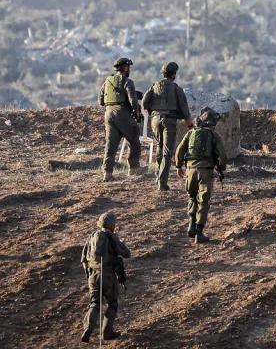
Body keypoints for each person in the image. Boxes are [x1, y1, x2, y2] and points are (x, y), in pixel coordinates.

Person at [174, 107, 227, 243]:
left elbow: (179, 150)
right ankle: (199, 232)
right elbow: (223, 155)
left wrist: (179, 166)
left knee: (192, 197)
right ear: (211, 123)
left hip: (190, 170)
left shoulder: (191, 133)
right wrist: (222, 168)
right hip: (206, 171)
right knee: (204, 201)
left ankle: (191, 224)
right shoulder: (214, 136)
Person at [80, 212, 131, 343]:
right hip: (108, 276)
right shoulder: (112, 237)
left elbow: (84, 259)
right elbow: (126, 254)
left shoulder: (91, 237)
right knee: (113, 304)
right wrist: (122, 244)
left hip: (93, 276)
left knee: (94, 304)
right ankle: (107, 333)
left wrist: (88, 274)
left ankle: (88, 329)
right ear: (113, 226)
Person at [142, 61, 193, 191]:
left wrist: (150, 110)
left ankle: (158, 176)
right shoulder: (176, 89)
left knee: (159, 149)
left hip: (155, 120)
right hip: (168, 121)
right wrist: (190, 123)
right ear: (174, 75)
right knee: (167, 152)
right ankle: (162, 183)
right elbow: (184, 108)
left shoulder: (154, 86)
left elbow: (144, 102)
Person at [98, 57, 143, 182]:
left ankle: (107, 173)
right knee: (134, 140)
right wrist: (137, 112)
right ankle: (133, 168)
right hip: (122, 113)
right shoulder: (128, 81)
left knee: (111, 145)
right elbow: (133, 100)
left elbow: (101, 101)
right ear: (126, 68)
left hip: (108, 114)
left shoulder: (107, 81)